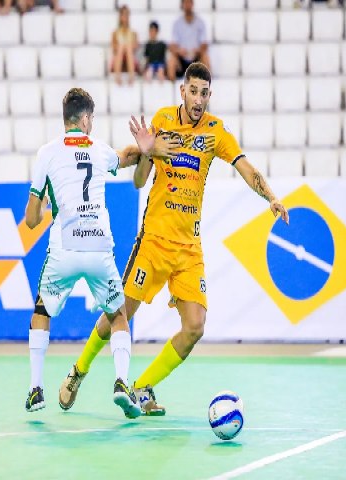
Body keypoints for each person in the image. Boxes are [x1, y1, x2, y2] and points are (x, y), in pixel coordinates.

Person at [59, 62, 289, 416]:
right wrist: (149, 151)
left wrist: (271, 197)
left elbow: (246, 167)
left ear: (210, 95)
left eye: (204, 93)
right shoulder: (163, 122)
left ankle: (140, 388)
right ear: (182, 91)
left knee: (194, 327)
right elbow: (139, 181)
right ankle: (79, 371)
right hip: (153, 242)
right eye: (193, 91)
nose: (198, 99)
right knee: (117, 314)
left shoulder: (216, 132)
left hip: (188, 249)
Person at [25, 88, 178, 418]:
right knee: (118, 315)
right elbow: (127, 157)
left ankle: (36, 388)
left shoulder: (47, 154)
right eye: (91, 118)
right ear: (84, 119)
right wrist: (146, 149)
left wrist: (47, 204)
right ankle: (122, 383)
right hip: (98, 245)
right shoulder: (98, 149)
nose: (92, 123)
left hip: (65, 248)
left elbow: (31, 218)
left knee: (42, 311)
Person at [166, 0, 210, 81]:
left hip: (196, 58)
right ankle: (171, 88)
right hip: (182, 59)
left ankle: (206, 86)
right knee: (171, 61)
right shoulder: (177, 23)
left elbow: (204, 44)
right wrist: (179, 51)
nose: (187, 5)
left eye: (189, 2)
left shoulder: (200, 22)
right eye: (185, 3)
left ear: (192, 4)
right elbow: (172, 46)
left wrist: (197, 50)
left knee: (206, 58)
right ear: (182, 5)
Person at [110, 5, 139, 85]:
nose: (125, 17)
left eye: (127, 14)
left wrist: (127, 46)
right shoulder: (115, 33)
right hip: (119, 59)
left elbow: (136, 47)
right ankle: (117, 77)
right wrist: (123, 47)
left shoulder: (133, 33)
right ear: (120, 16)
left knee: (128, 47)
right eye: (123, 14)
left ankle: (131, 77)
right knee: (122, 47)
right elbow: (113, 47)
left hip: (130, 59)